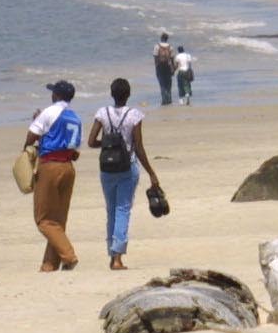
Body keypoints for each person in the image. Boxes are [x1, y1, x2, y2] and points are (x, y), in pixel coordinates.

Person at [87, 77, 163, 270]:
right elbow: (138, 147)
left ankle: (112, 254)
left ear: (112, 94)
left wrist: (107, 145)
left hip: (106, 169)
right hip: (127, 168)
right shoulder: (134, 115)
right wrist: (152, 173)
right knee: (123, 209)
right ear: (128, 95)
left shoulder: (102, 113)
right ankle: (118, 257)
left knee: (111, 210)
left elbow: (91, 142)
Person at [22, 80, 83, 272]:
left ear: (56, 95)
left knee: (43, 220)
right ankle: (50, 263)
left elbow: (32, 135)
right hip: (68, 167)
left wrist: (26, 151)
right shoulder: (75, 117)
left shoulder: (49, 112)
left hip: (50, 166)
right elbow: (73, 146)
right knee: (58, 219)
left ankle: (69, 256)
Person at [152, 32, 177, 106]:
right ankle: (169, 100)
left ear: (161, 38)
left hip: (160, 67)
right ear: (167, 39)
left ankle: (164, 100)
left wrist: (156, 66)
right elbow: (172, 58)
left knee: (162, 83)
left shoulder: (157, 46)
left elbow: (155, 57)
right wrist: (173, 68)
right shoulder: (170, 47)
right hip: (168, 67)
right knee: (168, 84)